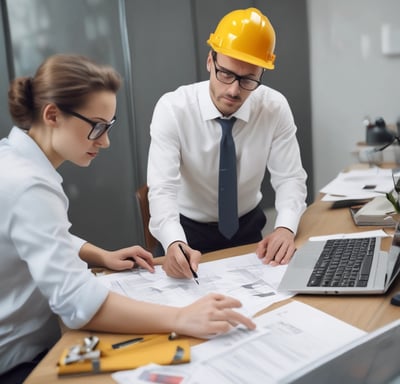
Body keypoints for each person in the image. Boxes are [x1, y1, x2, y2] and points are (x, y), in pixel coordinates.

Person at [0, 54, 255, 383]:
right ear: (52, 115)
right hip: (18, 361)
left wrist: (97, 254)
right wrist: (182, 317)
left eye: (109, 127)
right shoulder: (30, 185)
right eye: (97, 127)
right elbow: (78, 303)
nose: (105, 141)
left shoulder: (12, 158)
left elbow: (34, 234)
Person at [147, 7, 307, 279]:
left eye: (248, 79)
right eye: (226, 74)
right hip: (188, 234)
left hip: (249, 231)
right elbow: (162, 189)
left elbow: (290, 178)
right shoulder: (173, 108)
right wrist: (174, 241)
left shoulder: (274, 107)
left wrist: (285, 228)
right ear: (210, 61)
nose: (233, 90)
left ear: (261, 74)